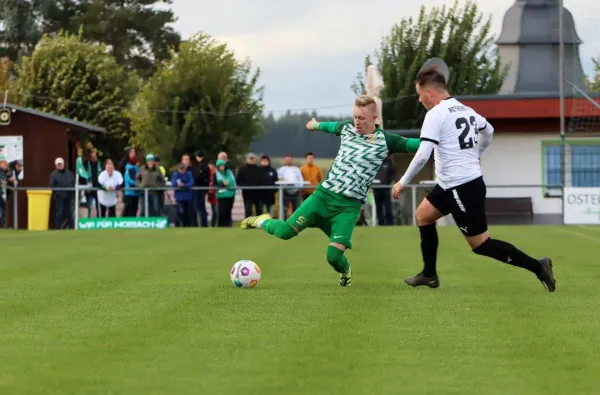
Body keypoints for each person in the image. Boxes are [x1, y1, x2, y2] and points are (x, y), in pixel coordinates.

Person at [391, 68, 556, 292]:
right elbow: (489, 130)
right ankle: (429, 275)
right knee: (423, 216)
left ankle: (538, 266)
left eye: (420, 94)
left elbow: (422, 154)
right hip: (451, 185)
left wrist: (403, 181)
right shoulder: (465, 110)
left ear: (429, 92)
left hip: (462, 188)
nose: (419, 99)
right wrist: (478, 154)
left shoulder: (436, 114)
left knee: (481, 245)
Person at [241, 95, 420, 286]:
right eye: (355, 117)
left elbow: (415, 145)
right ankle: (262, 221)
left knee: (333, 257)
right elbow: (330, 126)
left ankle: (346, 272)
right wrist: (315, 125)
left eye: (362, 118)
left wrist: (437, 141)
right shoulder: (347, 128)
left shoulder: (386, 140)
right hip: (323, 197)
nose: (357, 122)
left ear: (375, 118)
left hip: (348, 207)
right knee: (285, 232)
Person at [237, 152, 264, 219]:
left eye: (253, 159)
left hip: (258, 193)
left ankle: (259, 224)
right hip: (247, 193)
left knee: (259, 210)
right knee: (248, 210)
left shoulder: (259, 169)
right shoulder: (242, 169)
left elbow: (262, 180)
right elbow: (238, 180)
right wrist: (245, 186)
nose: (252, 160)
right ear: (247, 159)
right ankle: (248, 223)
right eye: (250, 158)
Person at [213, 159, 236, 227]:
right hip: (221, 195)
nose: (222, 167)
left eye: (223, 165)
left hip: (231, 194)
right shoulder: (215, 174)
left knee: (228, 211)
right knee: (222, 211)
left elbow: (233, 182)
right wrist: (223, 184)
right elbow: (215, 185)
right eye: (220, 166)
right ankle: (220, 225)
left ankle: (228, 225)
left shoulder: (230, 173)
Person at [171, 162, 195, 227]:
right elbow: (173, 183)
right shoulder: (175, 174)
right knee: (180, 211)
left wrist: (183, 185)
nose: (182, 170)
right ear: (178, 169)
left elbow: (191, 183)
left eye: (183, 168)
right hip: (179, 197)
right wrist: (178, 184)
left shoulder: (189, 174)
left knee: (187, 212)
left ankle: (187, 225)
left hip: (188, 197)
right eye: (180, 168)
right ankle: (179, 224)